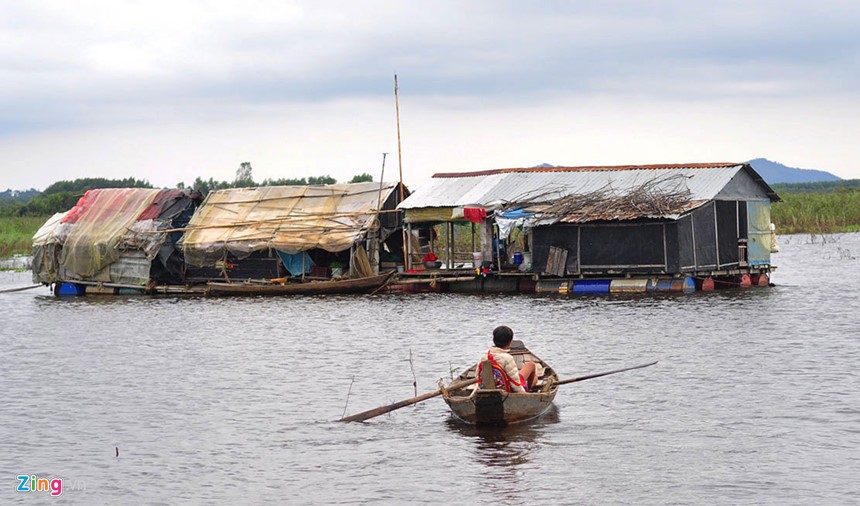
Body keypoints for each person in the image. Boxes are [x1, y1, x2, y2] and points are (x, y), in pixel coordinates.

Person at [477, 325, 537, 392]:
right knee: (532, 366)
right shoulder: (507, 358)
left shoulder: (484, 356)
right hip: (507, 390)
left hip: (487, 388)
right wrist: (524, 394)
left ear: (494, 340)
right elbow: (515, 383)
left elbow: (477, 376)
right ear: (510, 342)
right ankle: (529, 388)